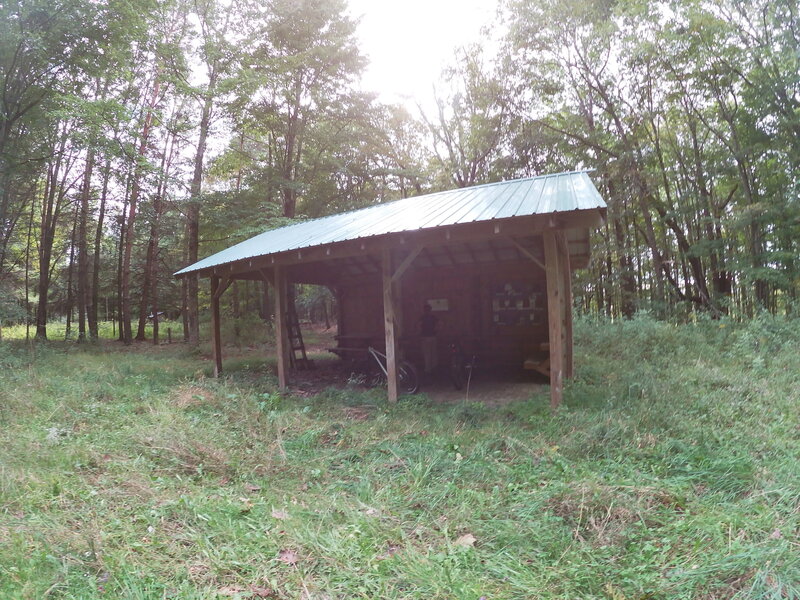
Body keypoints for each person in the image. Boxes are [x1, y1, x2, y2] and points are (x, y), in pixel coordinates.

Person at [419, 303, 438, 374]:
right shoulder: (433, 317)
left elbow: (418, 325)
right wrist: (436, 330)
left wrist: (419, 332)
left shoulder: (423, 317)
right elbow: (441, 324)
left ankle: (428, 369)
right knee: (433, 353)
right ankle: (434, 368)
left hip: (425, 337)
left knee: (427, 354)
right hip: (433, 336)